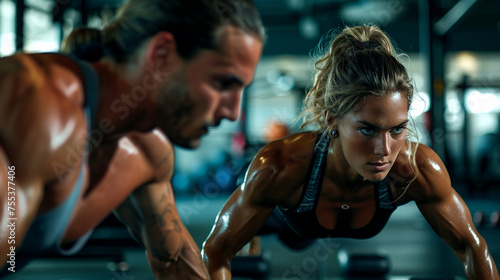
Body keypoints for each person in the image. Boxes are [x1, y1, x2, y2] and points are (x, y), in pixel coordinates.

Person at [202, 24, 499, 279]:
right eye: (368, 130)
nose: (384, 150)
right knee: (260, 229)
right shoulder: (280, 166)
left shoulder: (416, 170)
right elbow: (215, 250)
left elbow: (472, 247)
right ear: (332, 118)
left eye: (397, 129)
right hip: (285, 218)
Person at [0, 0, 264, 279]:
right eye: (223, 83)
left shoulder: (148, 151)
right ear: (161, 54)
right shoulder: (36, 104)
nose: (233, 112)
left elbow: (173, 260)